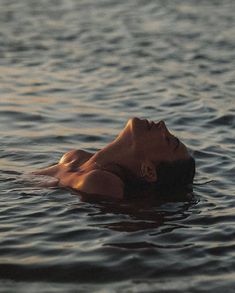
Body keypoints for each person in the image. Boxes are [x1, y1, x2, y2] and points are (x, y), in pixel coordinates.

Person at [33, 118, 195, 199]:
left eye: (168, 139)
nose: (162, 124)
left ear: (148, 170)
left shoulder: (102, 181)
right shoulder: (77, 157)